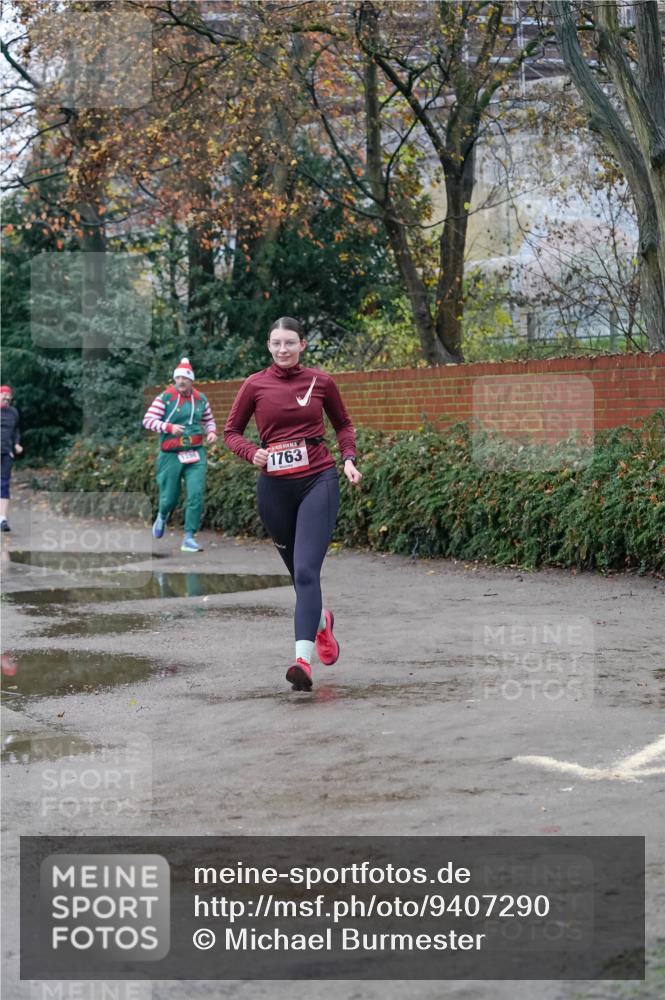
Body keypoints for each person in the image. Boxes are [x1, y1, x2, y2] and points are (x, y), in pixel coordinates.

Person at [224, 317, 362, 691]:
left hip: (319, 480)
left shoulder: (321, 382)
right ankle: (322, 624)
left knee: (305, 573)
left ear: (302, 344)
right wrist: (250, 452)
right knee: (299, 579)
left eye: (289, 343)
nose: (282, 350)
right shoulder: (254, 385)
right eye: (275, 343)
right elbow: (231, 432)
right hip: (275, 490)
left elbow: (343, 424)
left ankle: (302, 661)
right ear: (268, 346)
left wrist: (348, 459)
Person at [142, 359, 217, 552]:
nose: (181, 381)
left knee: (196, 494)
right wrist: (169, 427)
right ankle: (162, 515)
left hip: (195, 453)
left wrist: (211, 432)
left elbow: (208, 419)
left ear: (191, 380)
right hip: (171, 454)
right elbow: (148, 420)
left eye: (185, 377)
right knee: (170, 497)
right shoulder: (165, 398)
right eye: (178, 377)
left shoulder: (201, 399)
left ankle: (189, 537)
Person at [0, 385, 23, 533]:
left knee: (4, 484)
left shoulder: (14, 412)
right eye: (3, 396)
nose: (6, 399)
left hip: (6, 453)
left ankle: (2, 519)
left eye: (9, 397)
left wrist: (16, 443)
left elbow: (16, 431)